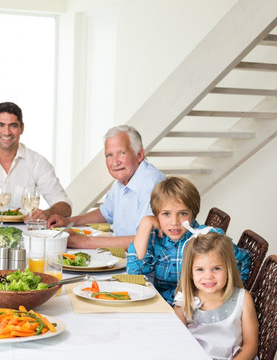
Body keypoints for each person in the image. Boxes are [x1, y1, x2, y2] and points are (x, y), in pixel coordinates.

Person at [126, 176, 250, 304]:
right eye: (166, 214)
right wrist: (146, 223)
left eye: (183, 213)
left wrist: (220, 296)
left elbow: (242, 262)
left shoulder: (207, 238)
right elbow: (135, 272)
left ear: (193, 214)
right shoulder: (153, 236)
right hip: (163, 304)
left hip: (196, 308)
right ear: (157, 215)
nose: (174, 222)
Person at [48, 125, 166, 249]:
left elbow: (145, 240)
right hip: (128, 257)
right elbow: (105, 213)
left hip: (146, 263)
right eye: (109, 155)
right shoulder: (122, 180)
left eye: (122, 153)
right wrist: (69, 221)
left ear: (140, 155)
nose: (115, 162)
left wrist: (84, 241)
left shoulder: (152, 184)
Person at [174, 232, 258, 360]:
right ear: (190, 273)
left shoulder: (243, 299)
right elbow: (177, 342)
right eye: (200, 269)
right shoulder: (184, 301)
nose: (208, 276)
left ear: (228, 268)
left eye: (216, 268)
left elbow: (250, 345)